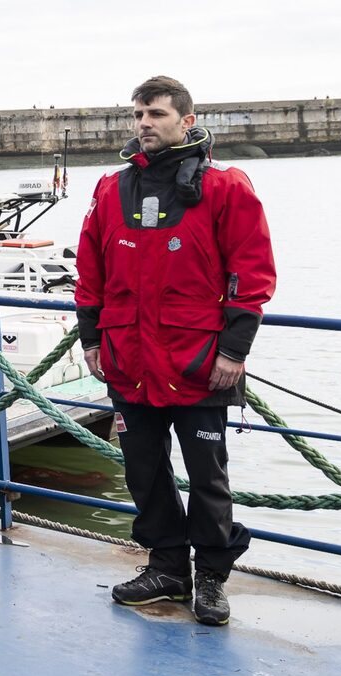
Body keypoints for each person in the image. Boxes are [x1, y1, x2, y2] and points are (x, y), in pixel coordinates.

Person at [75, 76, 276, 626]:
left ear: (187, 121)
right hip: (129, 360)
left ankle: (210, 575)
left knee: (208, 477)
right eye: (138, 114)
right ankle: (166, 567)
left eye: (156, 114)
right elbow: (90, 271)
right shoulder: (111, 190)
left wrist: (234, 351)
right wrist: (91, 339)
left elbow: (252, 274)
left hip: (200, 363)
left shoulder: (226, 187)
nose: (144, 123)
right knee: (144, 471)